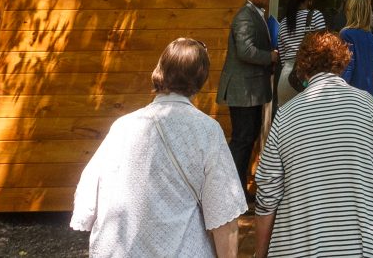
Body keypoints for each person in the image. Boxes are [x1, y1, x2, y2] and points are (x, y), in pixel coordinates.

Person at [72, 38, 245, 258]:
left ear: (160, 70)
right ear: (201, 79)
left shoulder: (123, 126)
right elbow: (224, 215)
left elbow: (88, 193)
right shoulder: (207, 131)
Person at [253, 32, 373, 258]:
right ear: (342, 64)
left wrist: (260, 251)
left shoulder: (285, 115)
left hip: (297, 247)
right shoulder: (369, 107)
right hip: (363, 246)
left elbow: (267, 192)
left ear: (303, 68)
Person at [216, 0, 277, 197]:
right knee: (242, 141)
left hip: (251, 90)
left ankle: (237, 192)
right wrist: (270, 57)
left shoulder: (257, 14)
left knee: (247, 139)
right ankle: (231, 193)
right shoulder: (244, 16)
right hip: (242, 90)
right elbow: (245, 51)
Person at [275, 0, 326, 109]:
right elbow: (325, 49)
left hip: (285, 78)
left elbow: (282, 57)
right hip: (308, 78)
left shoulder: (283, 23)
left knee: (286, 125)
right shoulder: (316, 16)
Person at [340, 0, 373, 108]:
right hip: (371, 100)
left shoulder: (346, 34)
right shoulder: (372, 39)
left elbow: (347, 68)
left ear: (351, 12)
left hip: (352, 100)